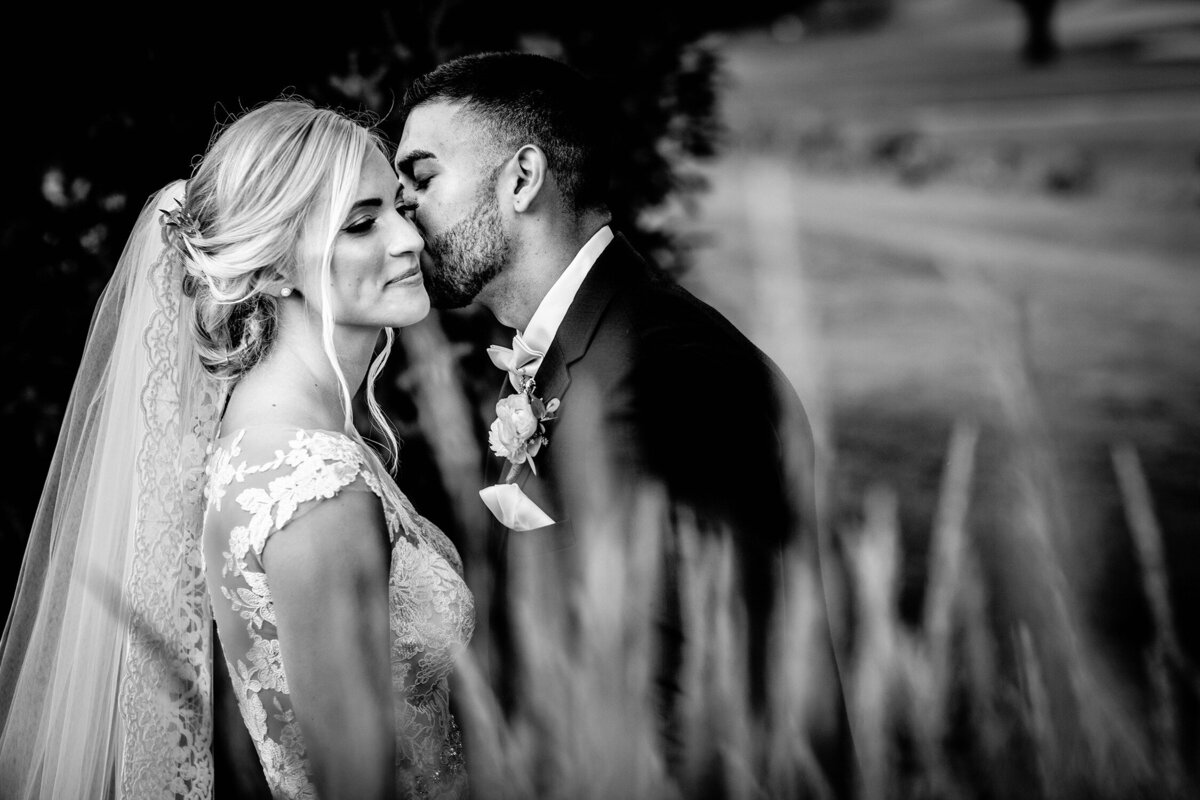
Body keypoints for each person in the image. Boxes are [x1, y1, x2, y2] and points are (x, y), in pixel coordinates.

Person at [395, 52, 854, 796]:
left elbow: (701, 687)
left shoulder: (675, 374)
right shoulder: (568, 353)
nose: (403, 207)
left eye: (422, 176)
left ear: (522, 178)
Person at [0, 98, 474, 800]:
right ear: (277, 265)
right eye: (363, 223)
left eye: (401, 210)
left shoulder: (262, 433)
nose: (407, 241)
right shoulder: (317, 492)